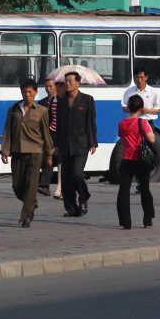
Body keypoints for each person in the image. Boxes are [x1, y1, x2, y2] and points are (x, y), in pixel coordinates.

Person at [0, 78, 54, 228]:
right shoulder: (13, 110)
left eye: (30, 92)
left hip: (35, 153)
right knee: (17, 186)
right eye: (25, 92)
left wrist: (49, 155)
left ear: (36, 93)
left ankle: (26, 218)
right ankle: (32, 203)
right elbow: (7, 131)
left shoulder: (42, 111)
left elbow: (46, 134)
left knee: (31, 185)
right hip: (17, 152)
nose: (27, 95)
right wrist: (5, 151)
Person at [57, 71, 98, 217]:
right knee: (66, 179)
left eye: (70, 81)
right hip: (64, 145)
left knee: (77, 174)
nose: (67, 84)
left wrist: (92, 142)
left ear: (78, 83)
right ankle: (71, 209)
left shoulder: (87, 100)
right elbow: (58, 124)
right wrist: (56, 144)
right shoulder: (60, 101)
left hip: (81, 144)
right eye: (65, 81)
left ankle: (84, 196)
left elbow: (90, 122)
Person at [116, 94, 157, 229]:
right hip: (140, 161)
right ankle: (147, 218)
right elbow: (152, 139)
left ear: (129, 107)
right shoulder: (142, 122)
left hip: (126, 160)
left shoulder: (121, 123)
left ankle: (125, 222)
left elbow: (122, 138)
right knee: (145, 189)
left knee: (123, 190)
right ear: (140, 109)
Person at [37, 77, 60, 197]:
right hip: (46, 134)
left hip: (59, 134)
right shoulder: (42, 103)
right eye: (46, 86)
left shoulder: (62, 101)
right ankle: (44, 186)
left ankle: (60, 187)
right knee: (47, 158)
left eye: (51, 86)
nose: (48, 89)